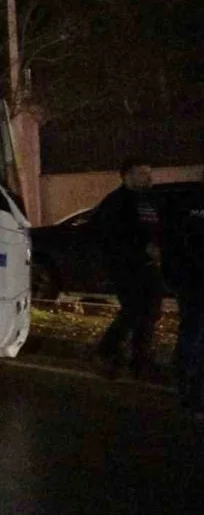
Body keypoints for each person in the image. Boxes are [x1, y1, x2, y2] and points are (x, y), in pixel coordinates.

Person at [95, 157, 163, 379]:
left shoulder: (149, 200)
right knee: (133, 311)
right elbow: (111, 237)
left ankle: (140, 359)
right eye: (142, 173)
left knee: (150, 313)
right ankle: (107, 350)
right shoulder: (116, 202)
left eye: (149, 173)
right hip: (126, 268)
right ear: (127, 176)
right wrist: (142, 248)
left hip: (150, 267)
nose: (148, 178)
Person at [162, 172, 204, 412]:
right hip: (193, 282)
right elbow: (178, 245)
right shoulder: (189, 204)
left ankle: (188, 382)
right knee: (194, 332)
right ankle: (187, 386)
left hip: (189, 281)